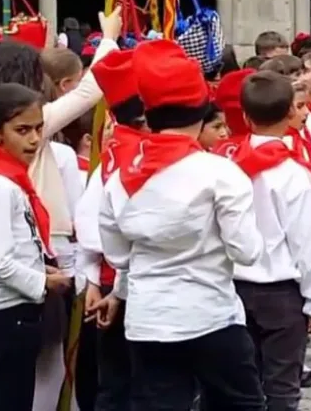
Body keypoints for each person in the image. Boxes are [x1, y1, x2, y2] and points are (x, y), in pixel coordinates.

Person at [98, 40, 264, 410]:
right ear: (202, 113)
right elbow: (247, 251)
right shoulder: (220, 173)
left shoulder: (120, 178)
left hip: (149, 319)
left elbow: (117, 255)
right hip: (211, 315)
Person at [230, 71, 311, 411]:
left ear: (245, 116)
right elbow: (309, 242)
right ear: (292, 112)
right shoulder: (292, 173)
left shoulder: (229, 167)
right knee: (282, 388)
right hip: (281, 291)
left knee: (244, 387)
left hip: (235, 288)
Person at [0, 83, 72, 410]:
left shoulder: (10, 178)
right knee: (4, 400)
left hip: (17, 310)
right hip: (7, 312)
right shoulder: (0, 186)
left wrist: (40, 267)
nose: (34, 139)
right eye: (22, 130)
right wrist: (43, 281)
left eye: (39, 129)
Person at [75, 48, 145, 411]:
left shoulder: (119, 147)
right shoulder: (137, 156)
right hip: (128, 283)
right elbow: (96, 225)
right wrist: (98, 280)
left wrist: (90, 276)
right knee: (127, 383)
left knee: (117, 380)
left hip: (111, 278)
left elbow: (88, 219)